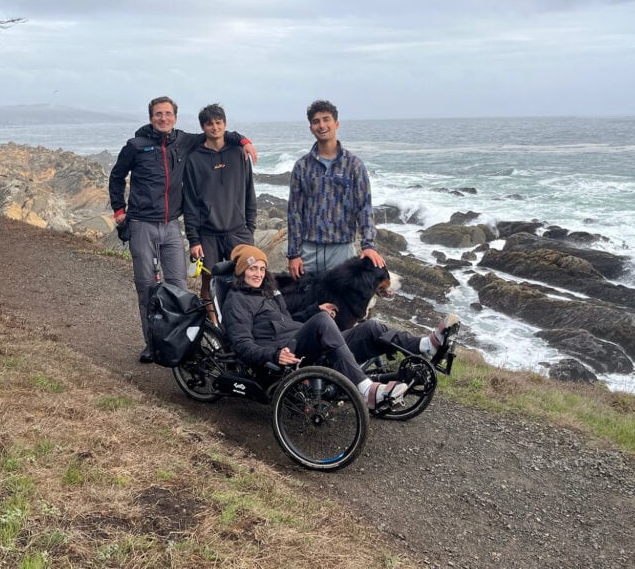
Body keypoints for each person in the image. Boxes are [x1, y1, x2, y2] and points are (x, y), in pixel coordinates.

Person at [109, 96, 257, 363]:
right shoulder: (135, 146)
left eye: (168, 114)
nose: (163, 118)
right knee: (146, 288)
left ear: (175, 117)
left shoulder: (185, 140)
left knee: (178, 287)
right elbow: (117, 176)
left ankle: (180, 345)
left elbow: (218, 133)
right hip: (142, 223)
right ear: (151, 117)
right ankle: (153, 345)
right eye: (158, 114)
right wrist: (119, 211)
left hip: (171, 226)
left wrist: (244, 141)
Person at [222, 244, 460, 409]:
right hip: (282, 351)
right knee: (324, 323)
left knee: (371, 328)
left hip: (296, 338)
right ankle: (367, 391)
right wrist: (274, 354)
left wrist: (315, 310)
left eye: (262, 269)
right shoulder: (237, 301)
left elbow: (288, 318)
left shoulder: (270, 292)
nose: (259, 274)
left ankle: (427, 345)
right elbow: (242, 345)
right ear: (242, 271)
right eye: (253, 269)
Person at [287, 99, 382, 280]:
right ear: (311, 128)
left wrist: (368, 245)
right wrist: (293, 254)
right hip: (308, 250)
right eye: (316, 121)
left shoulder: (354, 165)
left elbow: (364, 207)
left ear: (336, 123)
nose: (321, 125)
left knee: (341, 304)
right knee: (305, 303)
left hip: (342, 249)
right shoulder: (302, 166)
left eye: (326, 119)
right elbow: (294, 212)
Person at [182, 103, 256, 307]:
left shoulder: (239, 152)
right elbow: (190, 201)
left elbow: (250, 192)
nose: (215, 127)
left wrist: (250, 227)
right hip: (208, 233)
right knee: (209, 283)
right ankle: (213, 328)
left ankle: (242, 323)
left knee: (247, 280)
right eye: (209, 124)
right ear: (203, 127)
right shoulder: (194, 159)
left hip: (238, 231)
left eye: (218, 122)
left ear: (225, 123)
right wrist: (193, 239)